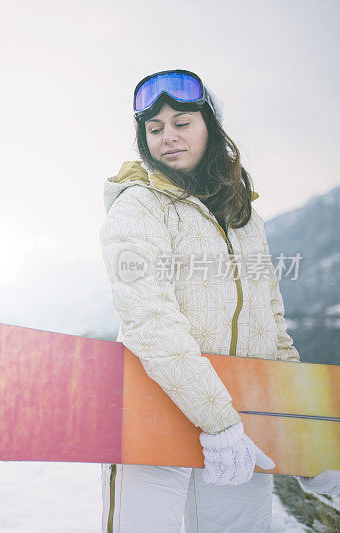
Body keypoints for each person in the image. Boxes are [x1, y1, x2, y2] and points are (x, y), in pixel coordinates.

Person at [98, 69, 339, 532]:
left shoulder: (243, 216)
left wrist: (301, 429)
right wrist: (218, 421)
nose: (168, 137)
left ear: (210, 125)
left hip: (243, 417)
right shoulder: (138, 207)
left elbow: (272, 325)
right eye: (154, 129)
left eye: (182, 122)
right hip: (154, 413)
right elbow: (151, 321)